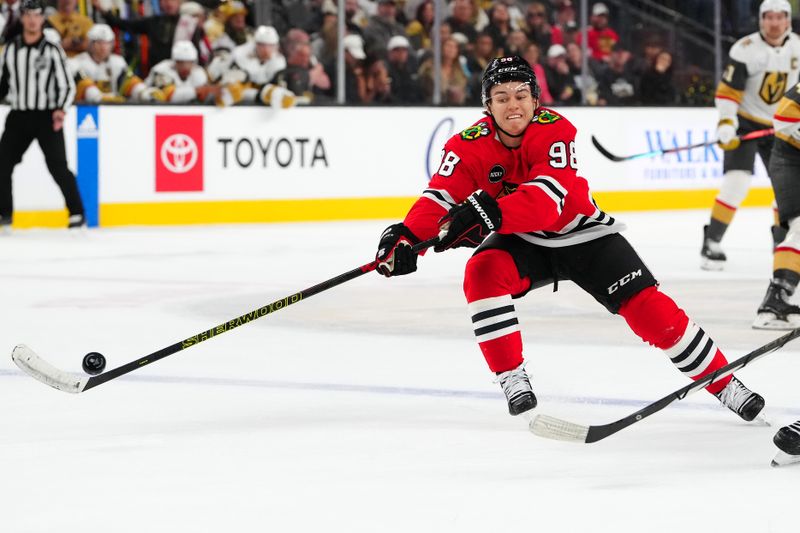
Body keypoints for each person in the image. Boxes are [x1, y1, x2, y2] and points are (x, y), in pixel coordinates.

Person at [374, 55, 766, 422]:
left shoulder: (554, 130)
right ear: (487, 106)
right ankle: (511, 376)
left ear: (535, 99)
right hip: (523, 240)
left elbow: (546, 200)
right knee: (482, 271)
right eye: (501, 97)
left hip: (582, 235)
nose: (513, 106)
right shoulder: (466, 146)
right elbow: (439, 197)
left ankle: (725, 381)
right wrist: (406, 238)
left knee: (649, 309)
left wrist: (490, 214)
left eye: (521, 95)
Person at [701, 0, 800, 271]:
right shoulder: (745, 49)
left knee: (787, 189)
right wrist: (725, 122)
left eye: (780, 17)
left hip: (779, 127)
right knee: (736, 183)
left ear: (788, 20)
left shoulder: (798, 48)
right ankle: (712, 242)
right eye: (769, 17)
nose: (774, 22)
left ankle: (783, 245)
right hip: (745, 124)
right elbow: (729, 92)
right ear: (760, 20)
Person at [0, 0, 85, 231]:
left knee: (58, 166)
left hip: (47, 117)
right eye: (27, 15)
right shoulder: (11, 49)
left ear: (42, 19)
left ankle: (77, 213)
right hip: (19, 116)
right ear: (22, 18)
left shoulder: (52, 49)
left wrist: (61, 109)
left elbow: (67, 85)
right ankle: (4, 214)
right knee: (2, 163)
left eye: (36, 15)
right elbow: (4, 85)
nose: (31, 20)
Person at [68, 23, 148, 103]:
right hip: (86, 110)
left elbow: (129, 82)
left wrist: (144, 93)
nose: (103, 47)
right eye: (99, 42)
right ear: (90, 44)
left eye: (107, 43)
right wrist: (100, 98)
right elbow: (83, 85)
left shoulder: (118, 62)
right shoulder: (76, 63)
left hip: (112, 108)